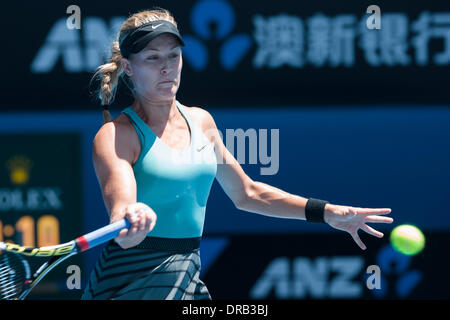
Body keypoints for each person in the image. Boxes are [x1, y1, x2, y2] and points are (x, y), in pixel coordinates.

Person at [81, 8, 393, 300]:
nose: (166, 68)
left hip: (185, 276)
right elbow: (122, 222)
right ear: (128, 67)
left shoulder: (201, 121)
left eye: (174, 56)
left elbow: (248, 193)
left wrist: (327, 212)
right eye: (152, 58)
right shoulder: (115, 136)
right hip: (127, 283)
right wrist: (133, 220)